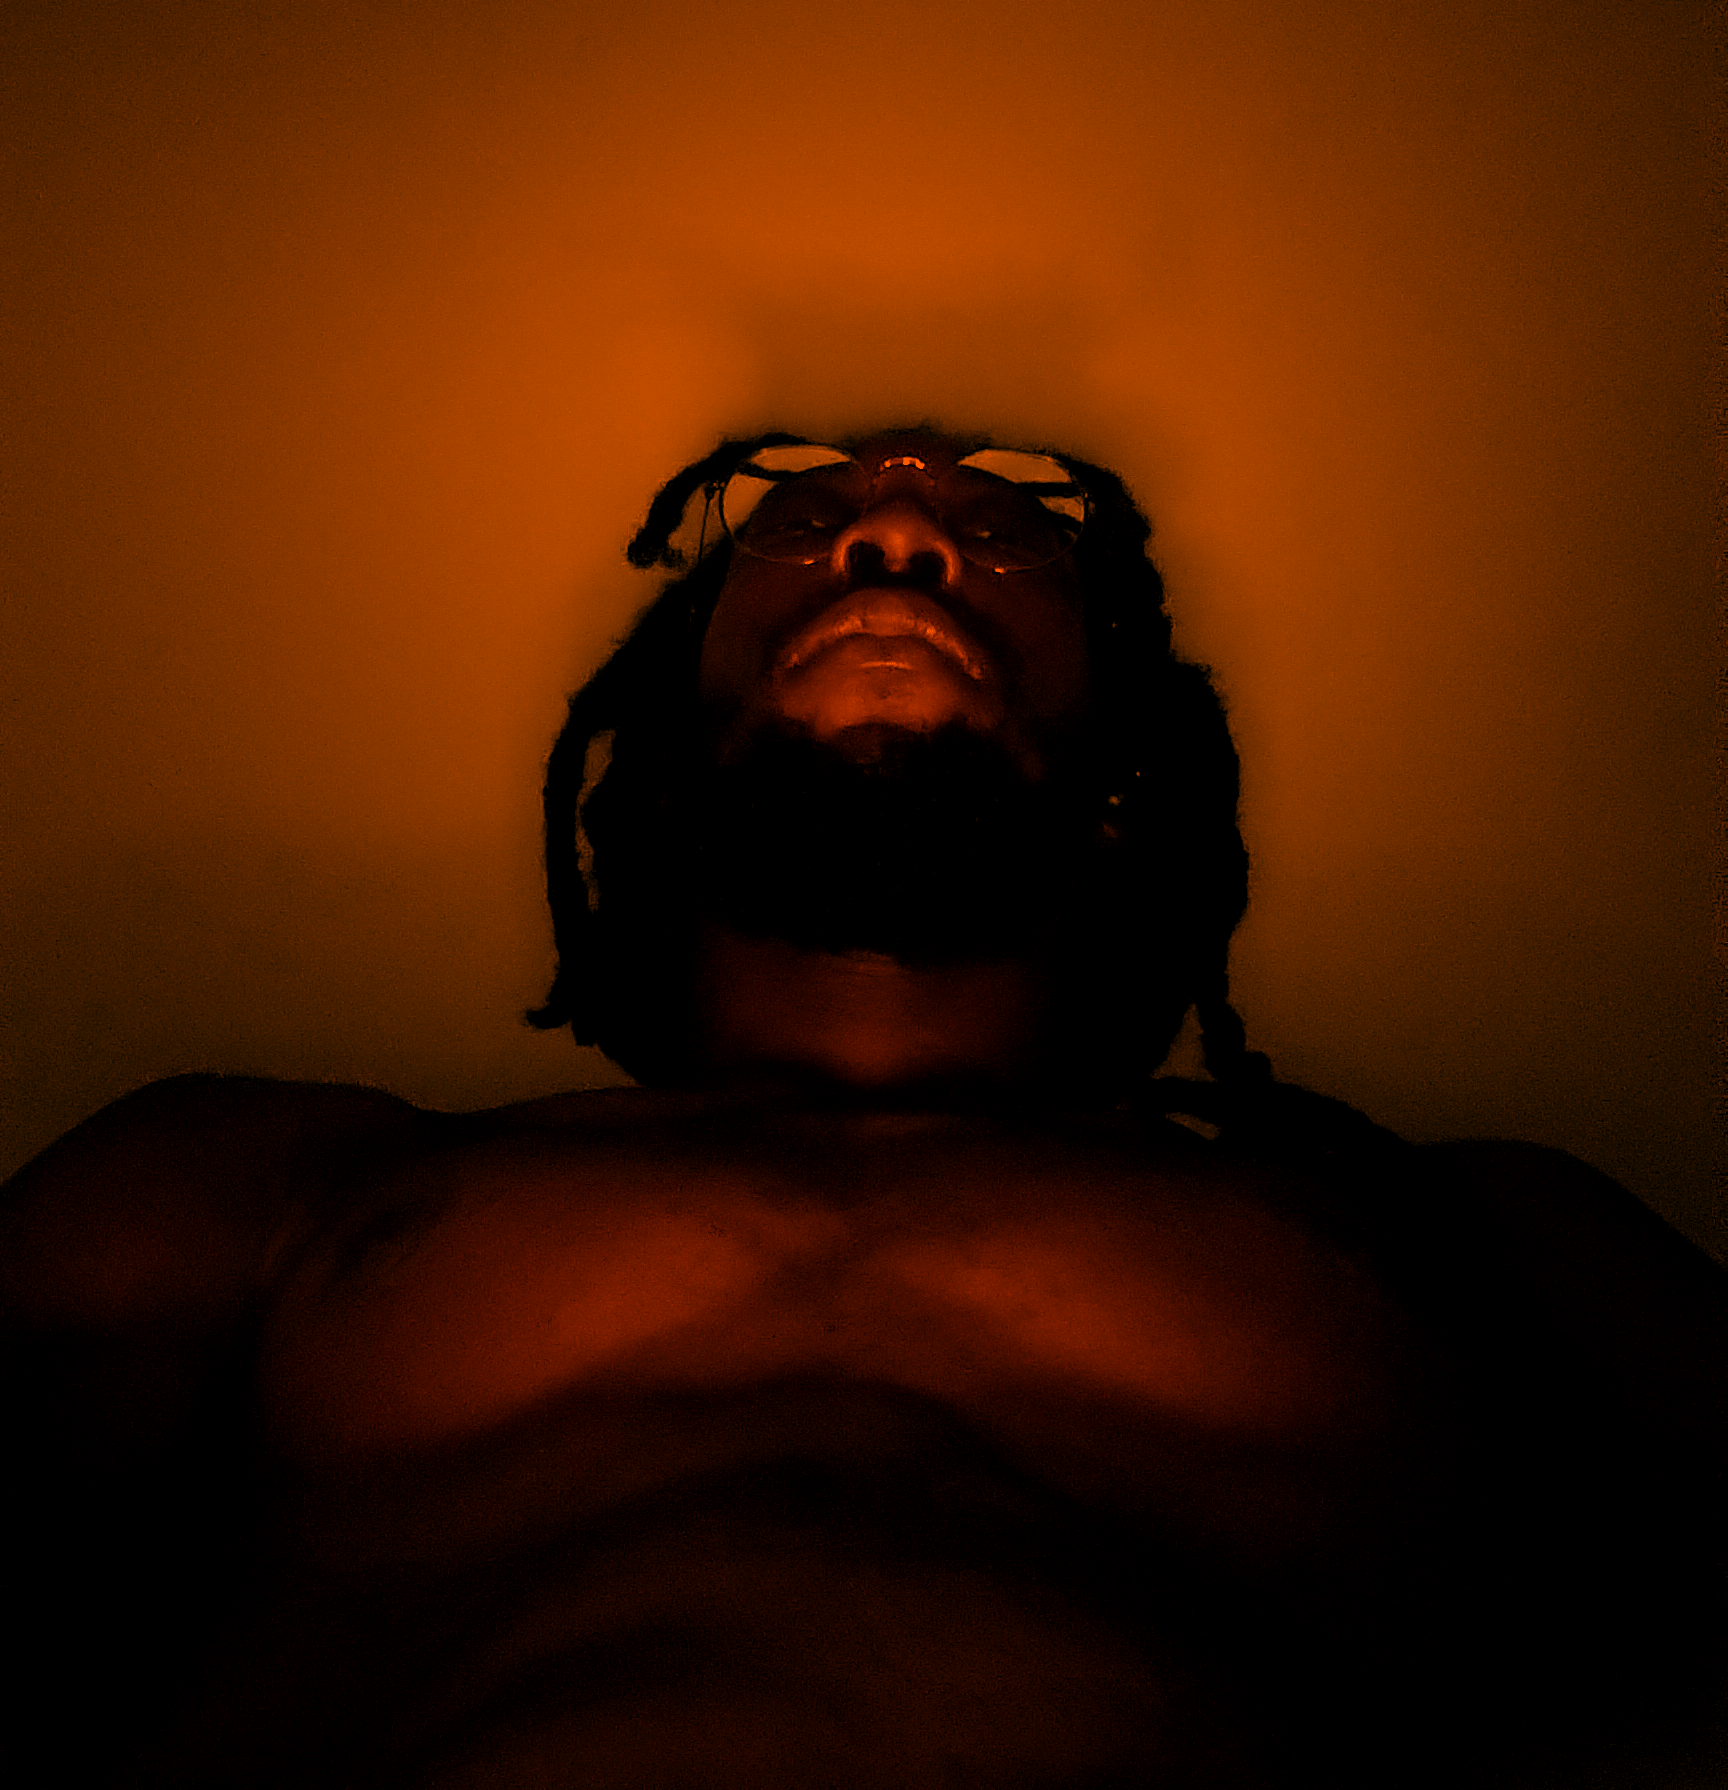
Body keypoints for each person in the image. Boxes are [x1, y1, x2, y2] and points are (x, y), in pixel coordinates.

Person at [3, 426, 1722, 1790]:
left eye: (999, 541)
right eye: (811, 524)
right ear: (665, 768)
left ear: (1118, 792)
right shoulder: (263, 1181)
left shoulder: (1477, 1233)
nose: (893, 536)